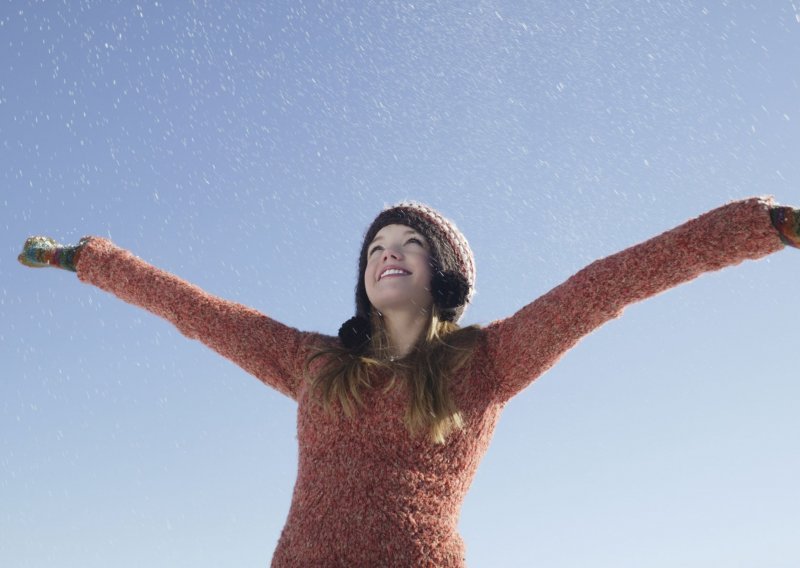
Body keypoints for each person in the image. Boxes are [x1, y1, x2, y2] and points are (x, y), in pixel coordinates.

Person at [17, 197, 800, 567]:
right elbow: (192, 310)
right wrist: (84, 259)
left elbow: (615, 280)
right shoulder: (315, 361)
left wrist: (762, 228)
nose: (387, 253)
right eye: (375, 247)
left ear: (445, 274)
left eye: (409, 244)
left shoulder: (488, 359)